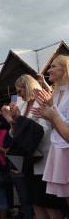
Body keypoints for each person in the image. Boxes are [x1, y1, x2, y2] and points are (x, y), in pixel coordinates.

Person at [3, 74, 63, 219]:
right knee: (35, 203)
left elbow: (45, 130)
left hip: (44, 159)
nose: (18, 95)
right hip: (28, 162)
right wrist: (12, 123)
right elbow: (14, 134)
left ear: (29, 88)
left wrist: (19, 122)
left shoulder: (41, 102)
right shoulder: (21, 106)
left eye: (20, 91)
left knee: (49, 204)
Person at [32, 55, 69, 209]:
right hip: (58, 147)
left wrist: (52, 110)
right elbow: (55, 125)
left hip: (66, 147)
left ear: (65, 69)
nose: (49, 69)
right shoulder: (55, 94)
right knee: (66, 196)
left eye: (54, 66)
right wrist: (45, 114)